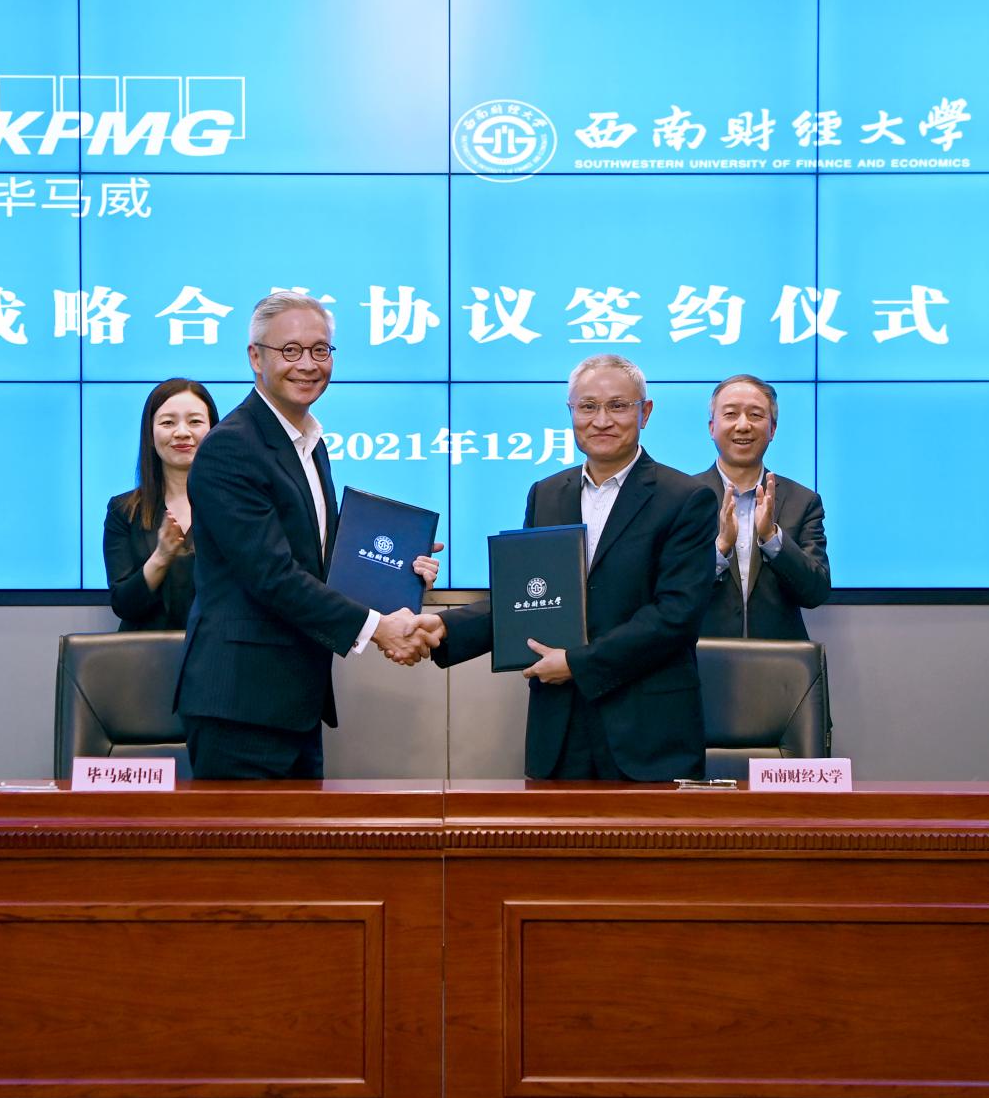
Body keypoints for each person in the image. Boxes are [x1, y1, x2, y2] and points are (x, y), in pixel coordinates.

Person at [174, 292, 440, 780]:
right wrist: (378, 627)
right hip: (241, 706)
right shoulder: (231, 447)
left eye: (320, 350)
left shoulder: (309, 443)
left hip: (294, 701)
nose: (308, 364)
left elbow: (321, 560)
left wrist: (398, 569)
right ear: (256, 357)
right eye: (290, 350)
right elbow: (272, 576)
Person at [422, 354, 718, 781]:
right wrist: (444, 628)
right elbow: (525, 598)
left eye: (618, 406)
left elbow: (677, 615)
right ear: (571, 412)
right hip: (559, 731)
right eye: (587, 406)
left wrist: (578, 663)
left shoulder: (685, 498)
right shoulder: (546, 494)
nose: (602, 420)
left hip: (647, 734)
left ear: (645, 412)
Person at [696, 374, 831, 640]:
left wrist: (772, 538)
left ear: (772, 430)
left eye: (755, 415)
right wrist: (720, 549)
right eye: (731, 414)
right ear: (712, 427)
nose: (743, 425)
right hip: (700, 656)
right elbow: (666, 589)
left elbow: (816, 592)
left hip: (778, 659)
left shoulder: (803, 501)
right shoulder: (682, 498)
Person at [102, 378, 219, 631]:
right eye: (168, 423)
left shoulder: (236, 506)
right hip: (146, 651)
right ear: (150, 436)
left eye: (195, 421)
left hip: (218, 649)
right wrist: (162, 556)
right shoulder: (123, 511)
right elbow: (123, 604)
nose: (182, 432)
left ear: (214, 430)